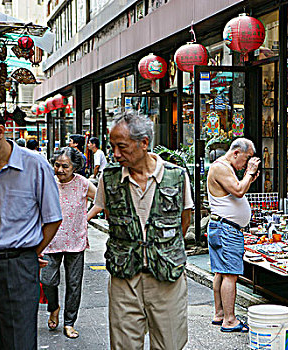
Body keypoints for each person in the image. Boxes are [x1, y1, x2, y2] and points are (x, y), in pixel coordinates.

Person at [0, 106, 63, 349]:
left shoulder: (35, 165)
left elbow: (53, 218)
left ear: (0, 131)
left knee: (19, 342)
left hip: (18, 269)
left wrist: (30, 253)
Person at [94, 111, 193, 349]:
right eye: (112, 147)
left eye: (122, 147)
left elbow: (184, 221)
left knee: (170, 344)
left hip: (167, 276)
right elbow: (109, 217)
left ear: (144, 143)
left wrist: (161, 247)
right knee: (124, 345)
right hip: (124, 278)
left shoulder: (176, 176)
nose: (116, 154)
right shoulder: (109, 179)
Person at [41, 147, 101, 339]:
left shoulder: (83, 183)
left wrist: (86, 217)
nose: (59, 170)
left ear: (74, 166)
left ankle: (69, 322)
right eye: (57, 165)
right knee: (47, 279)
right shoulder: (48, 183)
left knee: (74, 284)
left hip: (76, 240)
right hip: (50, 240)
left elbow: (101, 200)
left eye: (64, 166)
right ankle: (54, 307)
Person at [206, 138, 260, 333]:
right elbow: (238, 191)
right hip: (226, 229)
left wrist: (249, 177)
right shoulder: (221, 167)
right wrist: (249, 173)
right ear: (236, 153)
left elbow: (238, 189)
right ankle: (229, 320)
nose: (246, 164)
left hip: (222, 227)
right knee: (230, 274)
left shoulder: (224, 168)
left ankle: (219, 314)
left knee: (221, 272)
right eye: (246, 159)